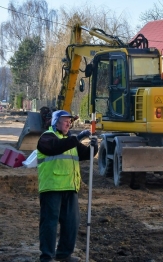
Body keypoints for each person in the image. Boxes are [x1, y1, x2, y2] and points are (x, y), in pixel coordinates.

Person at [36, 110, 98, 262]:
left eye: (70, 121)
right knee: (49, 223)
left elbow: (85, 154)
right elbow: (55, 147)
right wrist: (77, 138)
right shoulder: (46, 138)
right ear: (55, 122)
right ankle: (47, 256)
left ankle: (64, 254)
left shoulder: (70, 140)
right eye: (65, 120)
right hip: (52, 188)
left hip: (70, 188)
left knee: (72, 222)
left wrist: (93, 147)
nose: (68, 123)